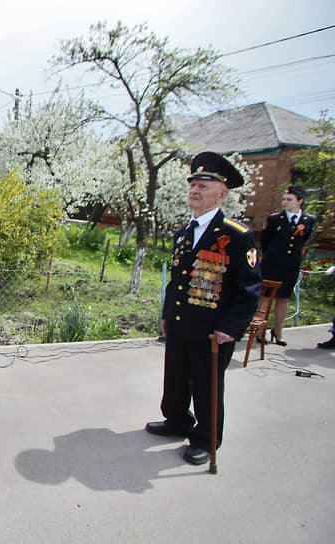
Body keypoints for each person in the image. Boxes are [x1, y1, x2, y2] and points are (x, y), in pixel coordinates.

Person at [146, 152, 262, 466]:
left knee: (207, 385)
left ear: (222, 194)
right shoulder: (183, 233)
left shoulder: (236, 236)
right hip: (181, 322)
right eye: (193, 184)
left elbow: (250, 288)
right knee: (175, 376)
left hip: (213, 330)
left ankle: (206, 440)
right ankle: (176, 420)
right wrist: (167, 315)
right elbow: (176, 280)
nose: (195, 190)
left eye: (203, 185)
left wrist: (231, 327)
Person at [259, 185, 315, 346]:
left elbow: (304, 239)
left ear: (300, 201)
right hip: (272, 264)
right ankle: (260, 331)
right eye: (284, 199)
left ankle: (278, 332)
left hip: (291, 266)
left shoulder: (308, 220)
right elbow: (265, 241)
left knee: (283, 298)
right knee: (265, 297)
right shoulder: (274, 219)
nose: (285, 202)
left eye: (289, 199)